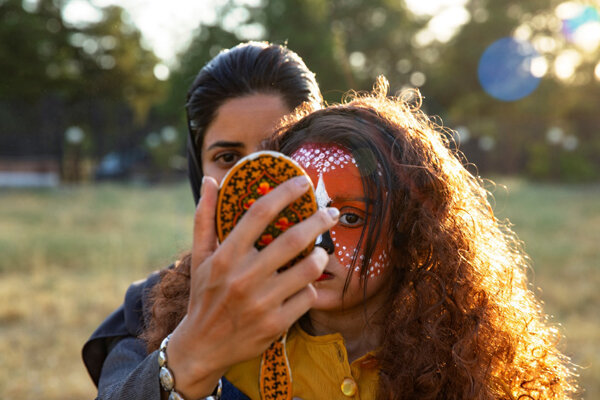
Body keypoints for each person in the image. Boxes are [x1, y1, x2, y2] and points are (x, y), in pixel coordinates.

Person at [141, 78, 578, 399]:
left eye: (349, 216)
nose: (319, 242)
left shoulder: (462, 368)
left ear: (412, 228)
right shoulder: (230, 363)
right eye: (299, 214)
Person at [82, 41, 325, 399]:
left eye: (278, 151)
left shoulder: (367, 287)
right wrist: (189, 355)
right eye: (228, 157)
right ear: (200, 172)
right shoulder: (149, 308)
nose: (254, 181)